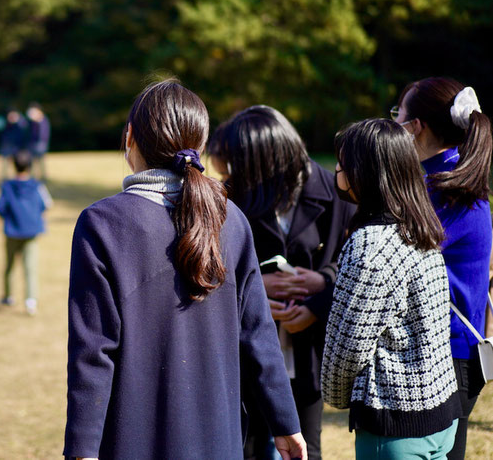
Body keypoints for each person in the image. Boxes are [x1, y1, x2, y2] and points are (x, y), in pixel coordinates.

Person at [64, 80, 306, 460]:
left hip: (133, 442)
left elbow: (93, 350)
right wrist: (286, 422)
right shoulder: (232, 219)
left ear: (129, 137)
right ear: (202, 144)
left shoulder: (102, 224)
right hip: (220, 441)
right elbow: (258, 334)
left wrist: (83, 448)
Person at [208, 105, 355, 460]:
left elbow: (356, 260)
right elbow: (211, 265)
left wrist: (321, 287)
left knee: (306, 447)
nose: (230, 175)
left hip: (311, 345)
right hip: (250, 347)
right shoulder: (232, 196)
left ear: (263, 158)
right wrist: (256, 288)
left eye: (237, 164)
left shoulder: (336, 192)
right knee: (247, 445)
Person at [322, 118, 461, 459]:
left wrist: (334, 396)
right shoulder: (421, 227)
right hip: (442, 411)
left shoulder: (370, 245)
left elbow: (348, 346)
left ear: (364, 174)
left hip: (395, 425)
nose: (337, 170)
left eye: (343, 163)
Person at [392, 78, 493, 460]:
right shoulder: (453, 182)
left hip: (445, 357)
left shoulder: (442, 190)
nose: (394, 124)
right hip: (455, 354)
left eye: (398, 115)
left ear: (415, 126)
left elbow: (396, 259)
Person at [0, 150, 52, 315]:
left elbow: (0, 207)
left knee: (9, 266)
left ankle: (8, 296)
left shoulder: (7, 186)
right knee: (30, 267)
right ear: (30, 166)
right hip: (31, 232)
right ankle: (31, 301)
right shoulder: (37, 185)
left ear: (13, 165)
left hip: (12, 231)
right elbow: (46, 204)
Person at [26, 103, 50, 181]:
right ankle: (32, 178)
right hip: (32, 144)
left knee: (40, 162)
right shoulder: (31, 122)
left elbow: (42, 134)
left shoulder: (42, 120)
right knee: (31, 163)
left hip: (40, 144)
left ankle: (43, 178)